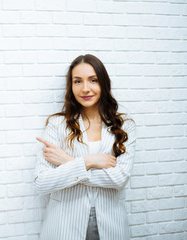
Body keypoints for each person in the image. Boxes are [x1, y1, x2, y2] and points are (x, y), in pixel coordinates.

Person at [34, 54, 136, 240]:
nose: (85, 88)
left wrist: (68, 162)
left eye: (93, 80)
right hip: (63, 225)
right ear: (71, 86)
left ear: (103, 83)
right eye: (78, 81)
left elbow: (119, 179)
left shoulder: (124, 126)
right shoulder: (57, 124)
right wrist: (89, 161)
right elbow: (42, 182)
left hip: (111, 223)